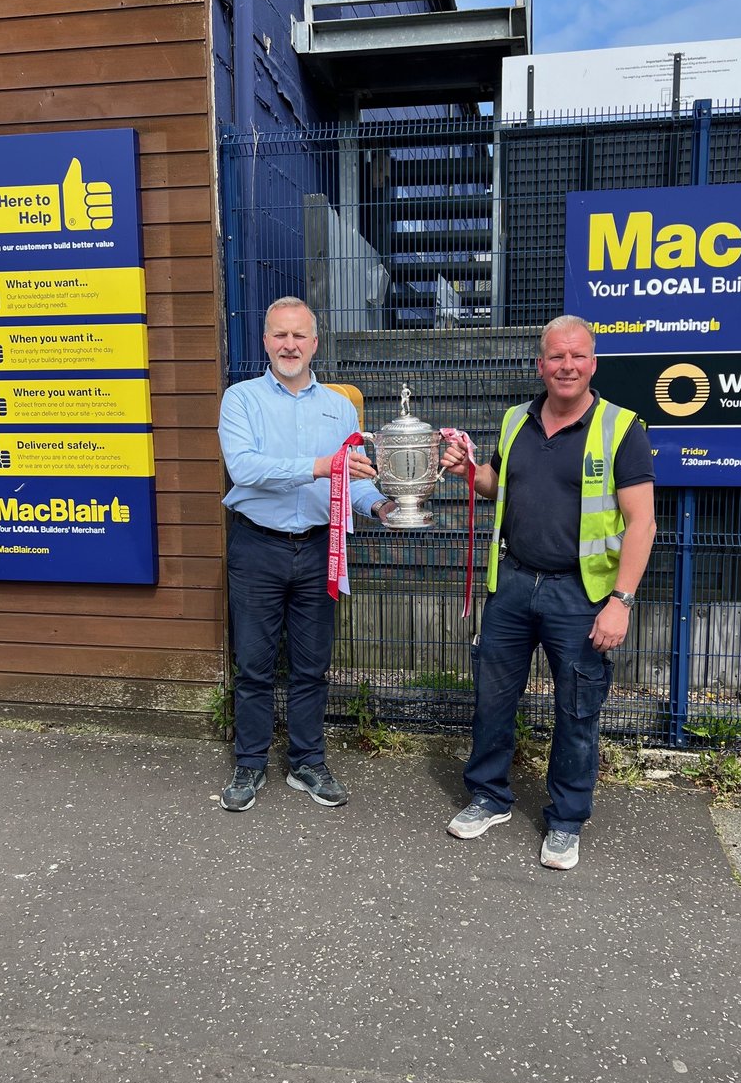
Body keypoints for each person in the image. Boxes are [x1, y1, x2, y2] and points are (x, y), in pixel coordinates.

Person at [441, 315, 656, 870]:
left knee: (577, 710)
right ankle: (489, 796)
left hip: (581, 597)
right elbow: (495, 486)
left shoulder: (622, 428)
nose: (566, 366)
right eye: (556, 357)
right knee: (492, 700)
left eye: (577, 356)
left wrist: (621, 602)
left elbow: (642, 524)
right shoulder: (516, 419)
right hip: (512, 585)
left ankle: (565, 820)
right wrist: (469, 470)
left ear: (593, 364)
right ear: (540, 364)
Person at [217, 297, 395, 812]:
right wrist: (319, 466)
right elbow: (246, 469)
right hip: (257, 546)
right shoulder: (241, 400)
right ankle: (249, 765)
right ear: (265, 341)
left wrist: (381, 504)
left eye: (299, 336)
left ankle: (307, 762)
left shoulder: (339, 406)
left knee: (312, 666)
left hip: (320, 547)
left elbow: (351, 480)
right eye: (279, 335)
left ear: (315, 343)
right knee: (253, 665)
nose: (289, 345)